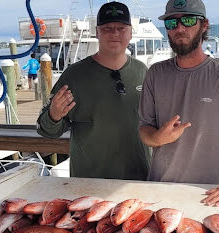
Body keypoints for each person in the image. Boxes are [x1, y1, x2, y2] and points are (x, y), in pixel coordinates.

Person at [138, 0, 219, 206]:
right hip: (158, 192)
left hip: (208, 196)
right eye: (172, 23)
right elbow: (144, 130)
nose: (180, 28)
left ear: (204, 25)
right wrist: (157, 138)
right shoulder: (155, 73)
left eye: (188, 20)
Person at [36, 1, 149, 180]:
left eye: (121, 28)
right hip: (89, 182)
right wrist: (54, 115)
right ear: (97, 32)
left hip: (139, 179)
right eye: (107, 28)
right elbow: (47, 130)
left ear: (130, 32)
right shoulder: (74, 76)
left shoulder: (143, 71)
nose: (115, 33)